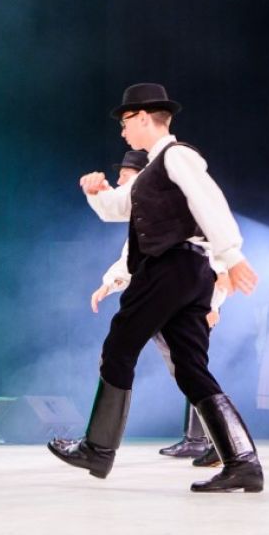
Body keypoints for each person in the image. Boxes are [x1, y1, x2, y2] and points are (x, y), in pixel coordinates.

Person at [50, 84, 265, 495]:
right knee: (190, 367)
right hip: (189, 273)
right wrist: (96, 192)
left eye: (125, 122)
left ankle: (98, 448)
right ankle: (243, 462)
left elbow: (209, 200)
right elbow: (120, 208)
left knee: (120, 345)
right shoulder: (152, 170)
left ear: (145, 117)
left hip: (171, 266)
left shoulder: (176, 156)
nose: (122, 131)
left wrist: (232, 255)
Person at [89, 148, 222, 466]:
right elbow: (130, 256)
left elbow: (210, 251)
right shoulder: (146, 209)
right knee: (187, 369)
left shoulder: (168, 199)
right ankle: (222, 445)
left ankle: (98, 449)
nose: (119, 180)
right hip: (162, 290)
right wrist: (109, 283)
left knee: (170, 363)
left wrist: (214, 303)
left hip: (172, 291)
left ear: (141, 177)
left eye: (124, 174)